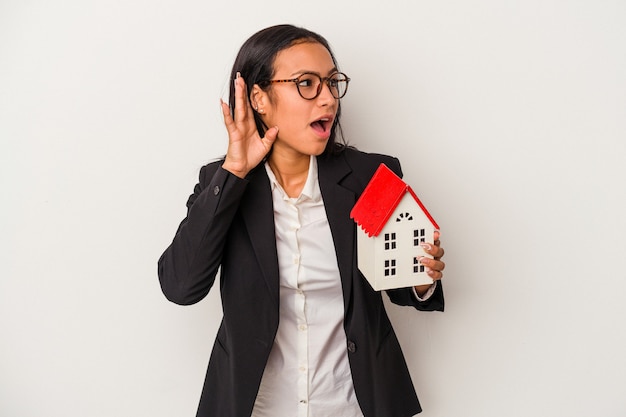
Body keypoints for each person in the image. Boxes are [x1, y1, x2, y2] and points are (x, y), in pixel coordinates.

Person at [158, 24, 446, 417]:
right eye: (306, 83)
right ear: (259, 98)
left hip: (354, 405)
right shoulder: (221, 182)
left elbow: (401, 285)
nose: (327, 98)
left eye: (331, 82)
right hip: (255, 407)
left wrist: (420, 279)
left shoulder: (371, 177)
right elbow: (181, 286)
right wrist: (234, 172)